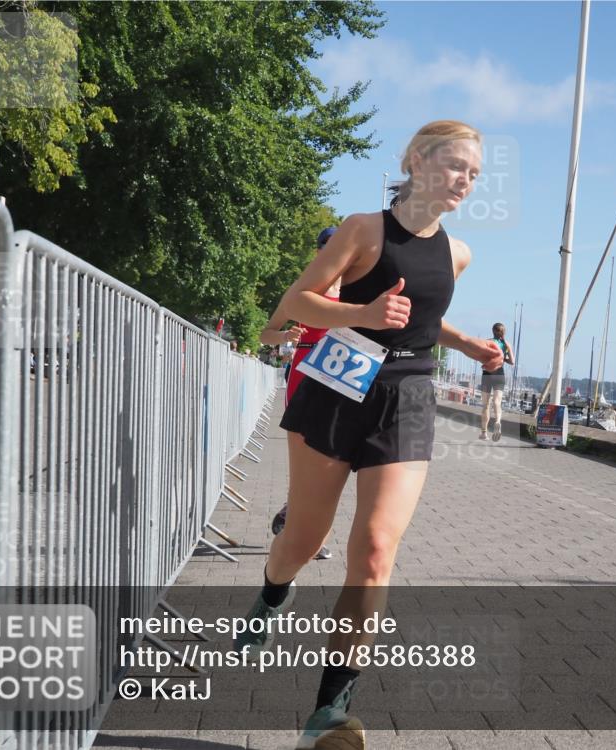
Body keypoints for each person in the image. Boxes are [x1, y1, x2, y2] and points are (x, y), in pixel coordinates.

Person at [235, 120, 502, 750]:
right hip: (338, 386)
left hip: (407, 398)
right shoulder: (362, 230)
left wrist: (470, 344)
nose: (464, 180)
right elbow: (298, 303)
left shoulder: (458, 254)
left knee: (377, 550)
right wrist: (362, 312)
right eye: (455, 165)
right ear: (417, 161)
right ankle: (273, 590)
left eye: (474, 174)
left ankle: (330, 712)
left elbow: (423, 318)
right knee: (304, 539)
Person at [263, 226, 341, 560]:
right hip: (305, 372)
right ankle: (304, 529)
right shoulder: (304, 288)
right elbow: (266, 333)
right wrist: (285, 337)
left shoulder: (358, 290)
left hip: (342, 376)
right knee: (306, 455)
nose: (335, 252)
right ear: (318, 250)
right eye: (327, 246)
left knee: (332, 460)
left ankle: (299, 521)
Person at [478, 322, 514, 441]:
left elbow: (482, 357)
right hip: (499, 374)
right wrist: (503, 358)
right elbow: (512, 361)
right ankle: (498, 421)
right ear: (503, 332)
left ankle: (484, 433)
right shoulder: (506, 344)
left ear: (493, 330)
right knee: (497, 402)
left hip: (487, 374)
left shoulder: (488, 342)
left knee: (486, 405)